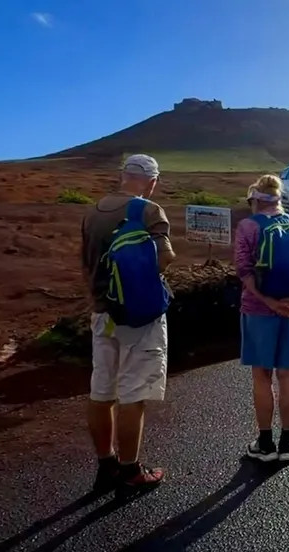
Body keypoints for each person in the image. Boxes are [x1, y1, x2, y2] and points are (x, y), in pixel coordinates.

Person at [81, 153, 175, 493]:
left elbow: (87, 260)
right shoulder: (148, 210)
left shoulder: (92, 212)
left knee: (101, 389)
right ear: (151, 181)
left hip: (102, 312)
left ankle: (105, 465)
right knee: (133, 392)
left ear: (123, 175)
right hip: (138, 316)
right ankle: (131, 469)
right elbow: (164, 258)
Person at [234, 174, 289, 462]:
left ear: (257, 199)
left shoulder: (247, 226)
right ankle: (287, 443)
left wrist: (269, 302)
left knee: (262, 375)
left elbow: (244, 270)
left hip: (259, 310)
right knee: (288, 374)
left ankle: (264, 444)